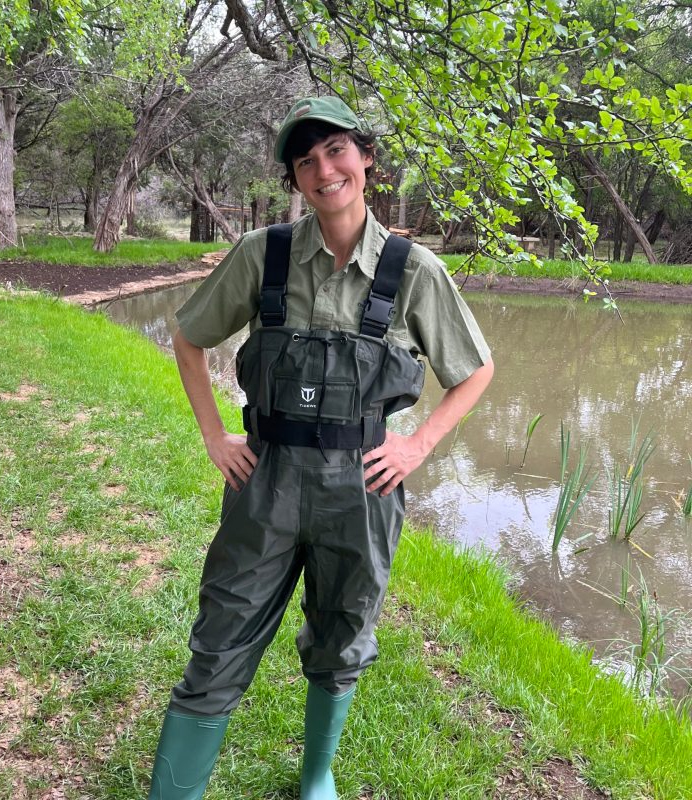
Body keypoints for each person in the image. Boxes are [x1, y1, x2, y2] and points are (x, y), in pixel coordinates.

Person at [148, 95, 494, 799]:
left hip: (362, 490)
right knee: (219, 642)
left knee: (342, 641)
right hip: (264, 482)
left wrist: (416, 448)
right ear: (295, 181)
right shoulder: (261, 255)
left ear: (365, 158)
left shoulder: (413, 270)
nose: (323, 170)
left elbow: (475, 370)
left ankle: (316, 778)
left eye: (336, 150)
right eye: (305, 161)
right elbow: (188, 338)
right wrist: (215, 434)